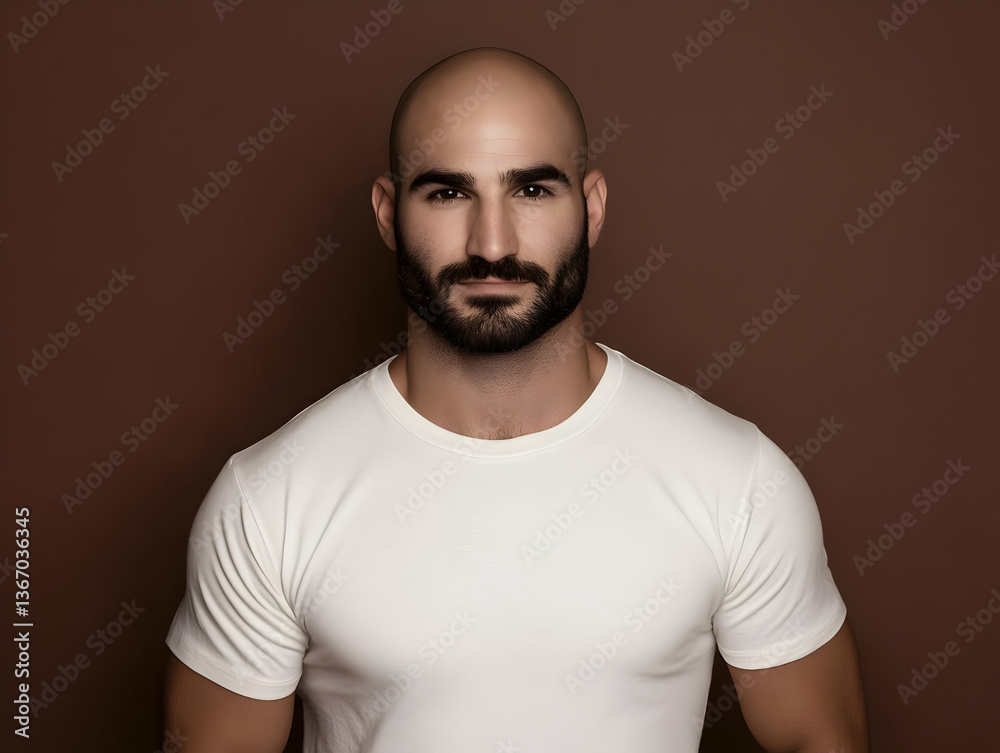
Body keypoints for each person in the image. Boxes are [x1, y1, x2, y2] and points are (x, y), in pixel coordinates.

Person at [163, 47, 869, 752]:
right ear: (387, 213)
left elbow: (821, 739)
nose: (492, 244)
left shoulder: (735, 476)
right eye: (448, 193)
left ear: (590, 206)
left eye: (532, 190)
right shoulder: (269, 499)